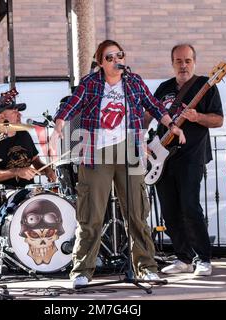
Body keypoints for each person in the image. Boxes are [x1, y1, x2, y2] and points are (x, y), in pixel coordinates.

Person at [49, 39, 186, 289]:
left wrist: (172, 125)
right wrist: (58, 125)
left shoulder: (133, 81)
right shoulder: (91, 83)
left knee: (137, 213)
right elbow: (72, 104)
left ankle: (146, 268)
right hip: (95, 151)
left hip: (130, 150)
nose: (116, 61)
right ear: (101, 62)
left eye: (119, 55)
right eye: (110, 57)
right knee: (91, 214)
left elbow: (153, 105)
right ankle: (81, 271)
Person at [148, 44, 224, 276]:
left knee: (190, 206)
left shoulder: (206, 86)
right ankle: (184, 258)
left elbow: (218, 120)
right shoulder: (164, 88)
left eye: (188, 60)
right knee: (169, 210)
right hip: (162, 157)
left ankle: (203, 259)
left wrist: (197, 116)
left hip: (191, 157)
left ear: (194, 62)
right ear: (172, 63)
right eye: (179, 61)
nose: (183, 65)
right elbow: (149, 114)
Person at [0, 101, 56, 190]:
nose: (20, 115)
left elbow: (35, 160)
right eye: (15, 112)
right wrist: (16, 172)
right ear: (2, 117)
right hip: (5, 195)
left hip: (28, 192)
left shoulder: (24, 134)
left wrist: (47, 169)